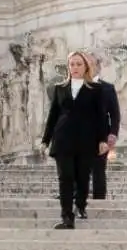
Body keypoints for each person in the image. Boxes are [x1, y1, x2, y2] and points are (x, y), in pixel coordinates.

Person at [41, 51, 110, 229]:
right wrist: (45, 140)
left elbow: (101, 116)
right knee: (65, 177)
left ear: (86, 66)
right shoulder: (60, 88)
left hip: (86, 140)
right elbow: (53, 115)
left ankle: (80, 204)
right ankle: (67, 217)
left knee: (82, 177)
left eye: (79, 64)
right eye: (72, 64)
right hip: (63, 138)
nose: (75, 67)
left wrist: (103, 139)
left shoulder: (96, 89)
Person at [89, 54, 121, 200]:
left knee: (98, 169)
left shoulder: (108, 88)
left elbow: (115, 113)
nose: (89, 67)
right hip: (78, 135)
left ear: (98, 67)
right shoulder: (75, 86)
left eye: (92, 64)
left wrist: (113, 134)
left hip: (101, 136)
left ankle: (99, 201)